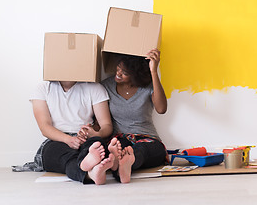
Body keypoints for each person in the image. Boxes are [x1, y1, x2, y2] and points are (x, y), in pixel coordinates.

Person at [101, 48, 168, 183]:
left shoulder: (148, 87)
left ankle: (126, 162)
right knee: (119, 148)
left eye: (124, 73)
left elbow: (161, 109)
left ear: (136, 75)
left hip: (147, 138)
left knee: (148, 150)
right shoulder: (106, 86)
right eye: (118, 68)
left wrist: (154, 71)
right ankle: (121, 164)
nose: (118, 73)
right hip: (120, 138)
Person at [30, 81, 116, 185]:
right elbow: (44, 127)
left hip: (85, 138)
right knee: (62, 155)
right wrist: (68, 139)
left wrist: (96, 134)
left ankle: (90, 166)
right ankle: (90, 171)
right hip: (57, 140)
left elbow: (107, 126)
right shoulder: (43, 88)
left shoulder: (95, 88)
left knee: (97, 143)